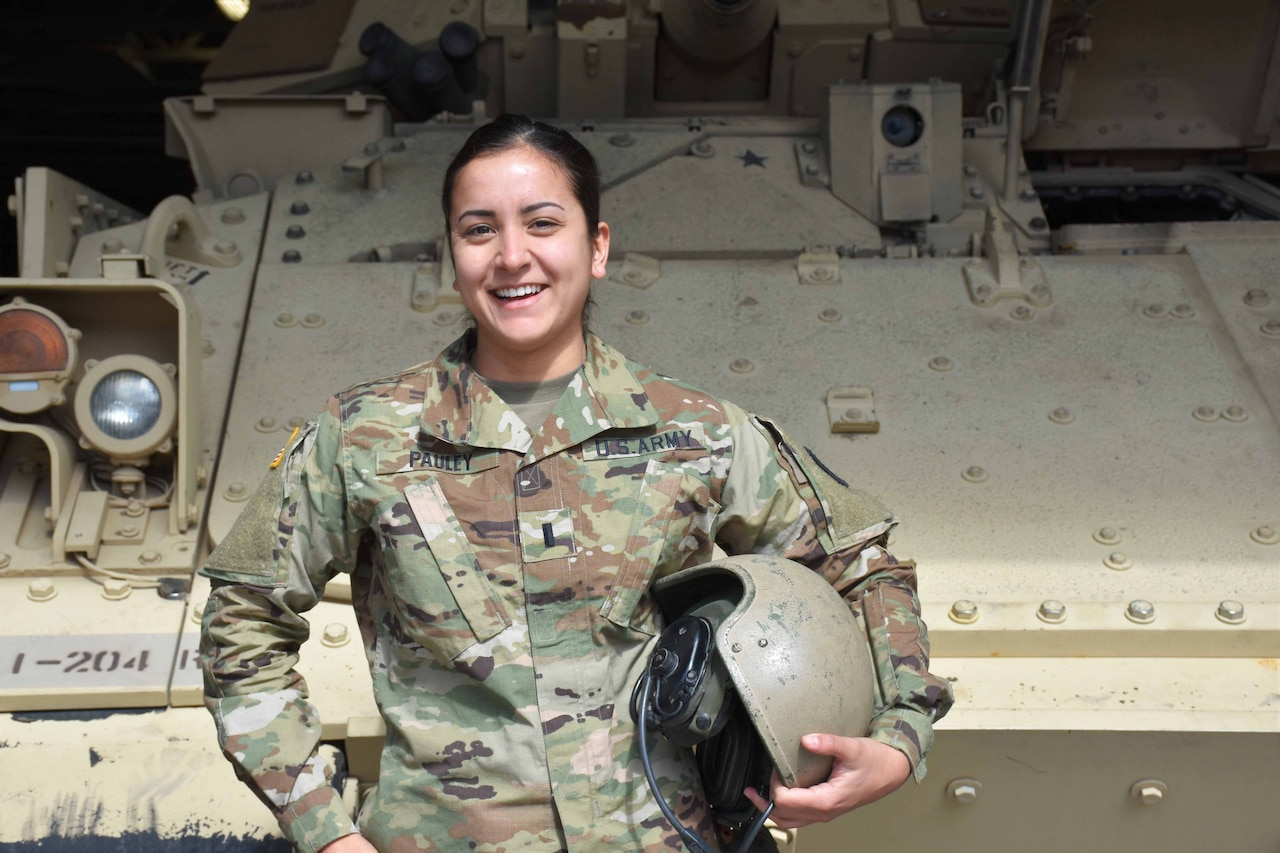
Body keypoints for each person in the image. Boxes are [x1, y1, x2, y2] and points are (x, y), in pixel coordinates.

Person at [200, 114, 953, 853]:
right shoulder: (364, 435)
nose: (511, 256)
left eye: (543, 223)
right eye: (478, 229)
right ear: (452, 255)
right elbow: (244, 618)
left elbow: (861, 562)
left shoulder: (698, 431)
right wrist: (324, 827)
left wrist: (899, 736)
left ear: (595, 248)